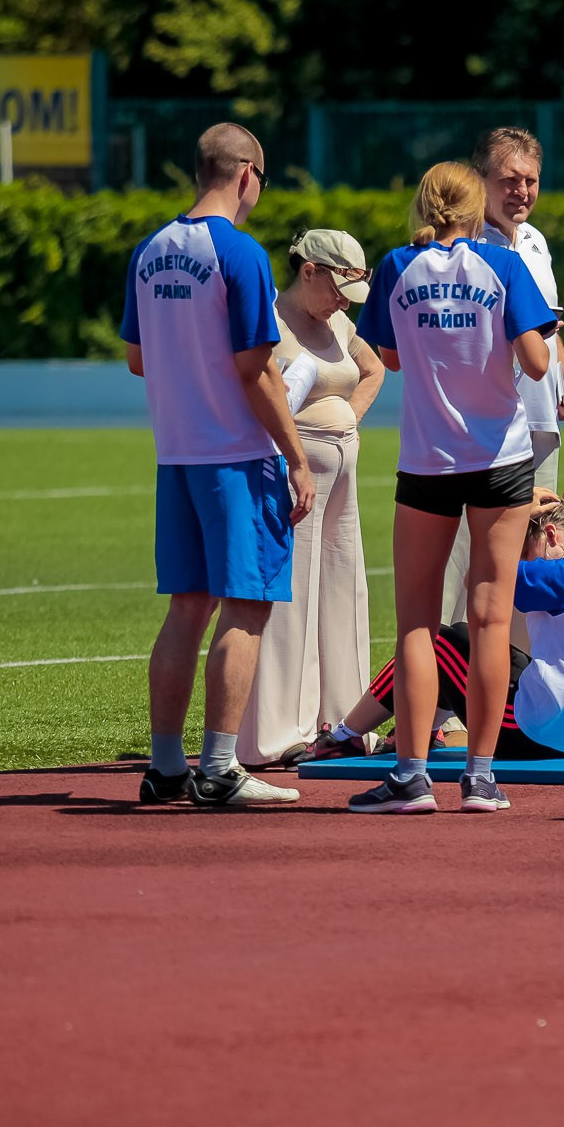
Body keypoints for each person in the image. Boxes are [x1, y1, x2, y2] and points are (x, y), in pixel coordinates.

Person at [351, 161, 558, 812]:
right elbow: (536, 360)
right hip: (501, 456)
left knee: (417, 618)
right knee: (491, 617)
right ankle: (481, 776)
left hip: (428, 458)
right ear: (475, 209)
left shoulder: (394, 265)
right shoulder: (503, 265)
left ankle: (411, 774)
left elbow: (385, 356)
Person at [122, 123, 311, 808]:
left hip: (176, 453)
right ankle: (222, 766)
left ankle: (167, 764)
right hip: (237, 455)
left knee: (186, 608)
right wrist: (296, 455)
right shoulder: (239, 252)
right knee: (248, 604)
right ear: (247, 175)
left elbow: (138, 358)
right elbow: (253, 367)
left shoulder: (150, 249)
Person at [309, 493, 564, 814]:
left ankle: (344, 736)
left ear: (552, 535)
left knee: (437, 643)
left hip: (535, 734)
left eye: (527, 550)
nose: (526, 560)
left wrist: (517, 517)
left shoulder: (563, 574)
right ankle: (418, 730)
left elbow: (479, 579)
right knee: (473, 646)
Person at [433, 127, 564, 737]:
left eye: (530, 180)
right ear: (480, 180)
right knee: (463, 565)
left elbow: (546, 323)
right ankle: (441, 704)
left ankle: (510, 695)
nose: (520, 191)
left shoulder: (537, 242)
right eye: (508, 180)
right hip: (487, 429)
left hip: (539, 424)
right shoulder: (466, 244)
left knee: (526, 562)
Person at [237, 228, 386, 768]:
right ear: (309, 272)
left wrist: (349, 422)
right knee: (290, 594)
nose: (344, 302)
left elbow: (372, 370)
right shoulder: (271, 323)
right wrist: (298, 447)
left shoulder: (340, 322)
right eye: (338, 289)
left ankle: (347, 721)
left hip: (341, 474)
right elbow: (256, 390)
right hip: (291, 476)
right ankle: (279, 733)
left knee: (344, 588)